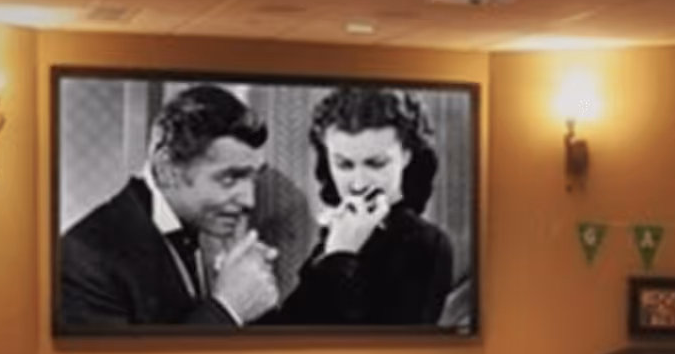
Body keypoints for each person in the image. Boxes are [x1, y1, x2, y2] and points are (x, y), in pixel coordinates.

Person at [58, 84, 281, 329]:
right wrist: (228, 308)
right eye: (229, 178)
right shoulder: (86, 257)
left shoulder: (208, 228)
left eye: (254, 178)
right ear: (167, 169)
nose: (250, 201)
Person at [264, 86, 454, 327]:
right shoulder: (337, 232)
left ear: (406, 155)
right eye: (344, 165)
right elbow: (293, 327)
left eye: (376, 164)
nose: (359, 183)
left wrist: (341, 256)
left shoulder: (426, 243)